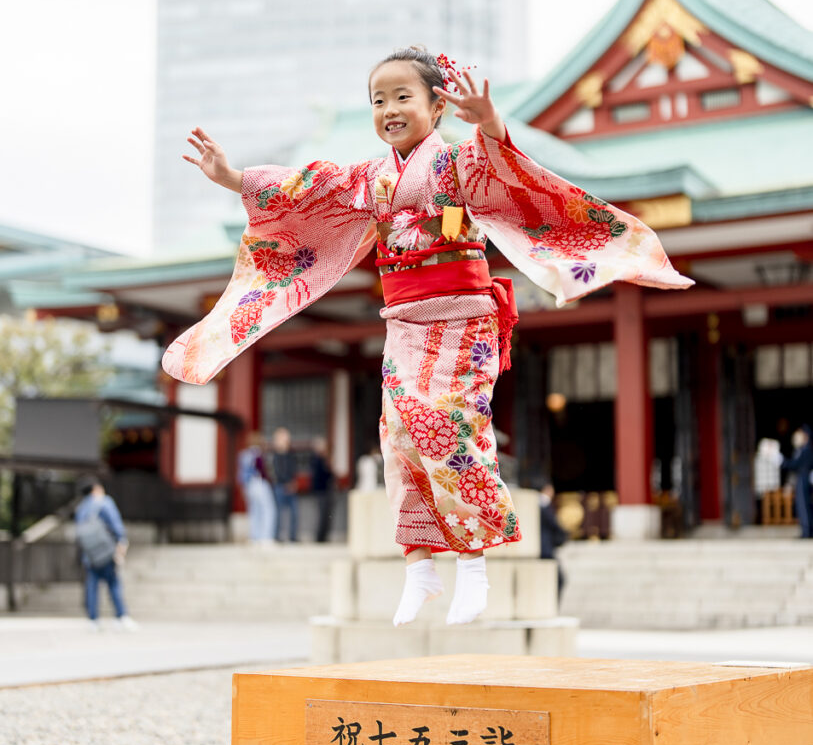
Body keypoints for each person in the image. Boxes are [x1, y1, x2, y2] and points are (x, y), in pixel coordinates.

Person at [165, 45, 692, 626]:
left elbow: (505, 167)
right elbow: (307, 191)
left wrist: (489, 122)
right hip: (404, 324)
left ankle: (473, 566)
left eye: (402, 97)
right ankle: (419, 568)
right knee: (397, 437)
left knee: (447, 425)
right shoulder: (371, 178)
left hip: (463, 319)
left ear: (437, 106)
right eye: (378, 99)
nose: (389, 109)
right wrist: (235, 178)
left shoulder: (459, 164)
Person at [75, 480, 138, 630]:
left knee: (92, 585)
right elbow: (116, 525)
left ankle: (93, 619)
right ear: (96, 489)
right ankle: (120, 616)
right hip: (106, 551)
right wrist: (122, 542)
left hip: (90, 554)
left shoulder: (81, 508)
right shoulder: (104, 502)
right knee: (113, 583)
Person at [236, 431, 276, 545]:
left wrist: (243, 488)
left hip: (249, 485)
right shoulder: (258, 454)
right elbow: (263, 470)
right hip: (260, 483)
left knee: (254, 511)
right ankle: (266, 537)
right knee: (268, 509)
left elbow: (240, 475)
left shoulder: (243, 455)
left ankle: (255, 537)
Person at [538, 483, 567, 602]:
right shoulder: (543, 505)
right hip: (545, 549)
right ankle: (553, 604)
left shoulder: (542, 505)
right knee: (560, 579)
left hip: (544, 548)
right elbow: (554, 525)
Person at [783, 426, 813, 538]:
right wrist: (789, 484)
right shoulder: (799, 450)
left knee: (804, 506)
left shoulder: (807, 450)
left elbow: (795, 465)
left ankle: (807, 532)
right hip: (800, 479)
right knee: (801, 506)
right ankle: (806, 531)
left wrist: (781, 461)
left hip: (804, 480)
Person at [271, 427, 299, 543]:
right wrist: (286, 482)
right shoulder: (276, 456)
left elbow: (294, 469)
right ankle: (277, 536)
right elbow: (278, 472)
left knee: (294, 512)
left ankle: (293, 536)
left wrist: (292, 482)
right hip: (280, 486)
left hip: (291, 486)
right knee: (278, 512)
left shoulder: (291, 454)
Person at [310, 437, 334, 543]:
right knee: (322, 515)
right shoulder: (317, 460)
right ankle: (320, 537)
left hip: (325, 490)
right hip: (321, 491)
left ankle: (324, 536)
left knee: (326, 515)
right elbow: (321, 476)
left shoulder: (323, 459)